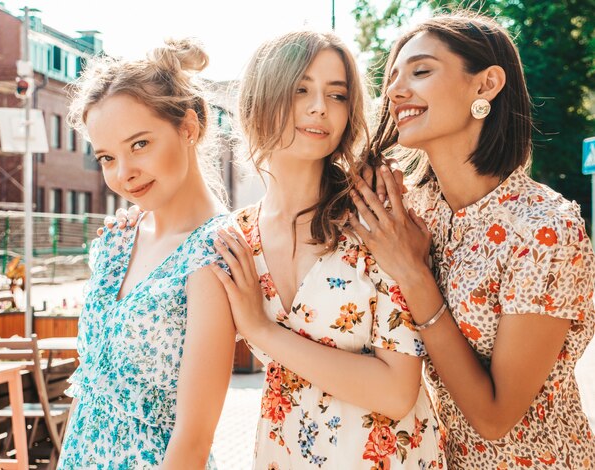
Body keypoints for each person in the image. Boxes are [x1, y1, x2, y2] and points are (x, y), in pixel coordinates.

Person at [349, 12, 595, 469]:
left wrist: (413, 274)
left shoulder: (545, 229)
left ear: (486, 86)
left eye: (421, 71)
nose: (396, 90)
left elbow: (495, 418)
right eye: (393, 78)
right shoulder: (420, 213)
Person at [210, 31, 444, 469]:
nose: (320, 107)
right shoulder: (237, 238)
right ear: (261, 98)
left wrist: (263, 332)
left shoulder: (375, 216)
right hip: (285, 453)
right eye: (301, 89)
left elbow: (396, 392)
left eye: (336, 94)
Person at [57, 39, 236, 469]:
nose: (124, 173)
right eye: (107, 157)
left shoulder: (214, 254)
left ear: (188, 129)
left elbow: (193, 439)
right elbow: (90, 396)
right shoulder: (118, 239)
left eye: (139, 144)